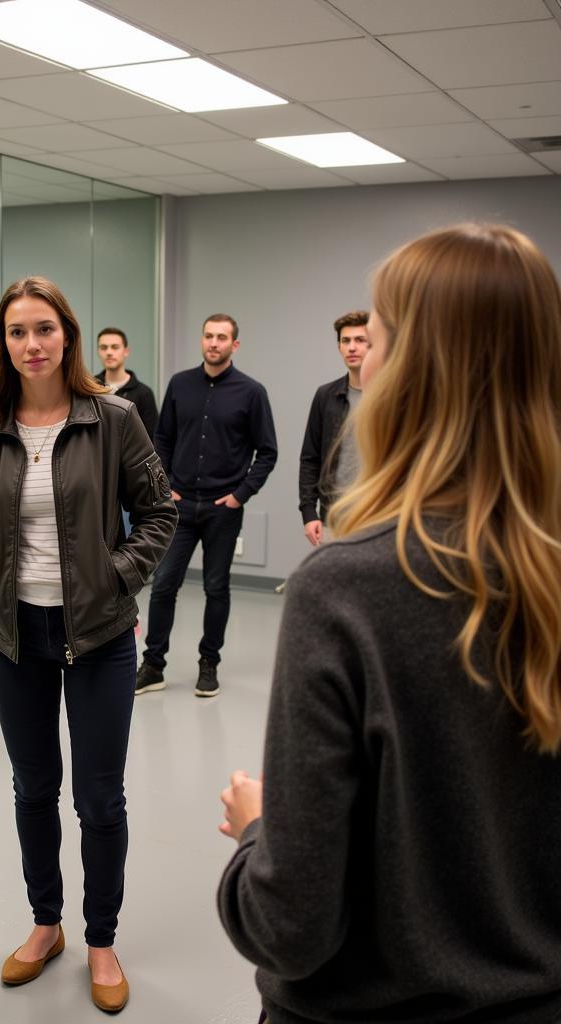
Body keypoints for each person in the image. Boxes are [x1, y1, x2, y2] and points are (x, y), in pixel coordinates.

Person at [218, 224, 561, 1024]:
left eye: (376, 335)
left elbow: (289, 926)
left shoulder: (345, 590)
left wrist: (255, 830)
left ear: (411, 370)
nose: (359, 356)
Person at [0, 276, 176, 1013]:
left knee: (100, 799)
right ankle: (47, 925)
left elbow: (160, 512)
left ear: (67, 336)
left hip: (100, 635)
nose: (31, 344)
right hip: (14, 637)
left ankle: (100, 938)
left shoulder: (113, 418)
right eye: (17, 332)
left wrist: (118, 575)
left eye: (44, 329)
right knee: (33, 790)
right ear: (2, 342)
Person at [136, 314, 277, 697]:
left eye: (222, 337)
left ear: (235, 344)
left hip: (222, 509)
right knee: (164, 584)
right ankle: (153, 665)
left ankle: (208, 663)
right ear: (202, 340)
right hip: (180, 506)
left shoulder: (252, 392)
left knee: (217, 588)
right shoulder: (181, 384)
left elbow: (267, 452)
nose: (214, 343)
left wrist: (240, 495)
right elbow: (162, 438)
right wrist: (164, 487)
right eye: (209, 336)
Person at [297, 311, 369, 547]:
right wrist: (309, 512)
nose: (352, 347)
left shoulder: (390, 399)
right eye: (346, 341)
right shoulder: (326, 396)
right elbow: (310, 458)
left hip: (377, 514)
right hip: (333, 517)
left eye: (360, 340)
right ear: (339, 346)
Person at [94, 327, 159, 439]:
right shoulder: (90, 388)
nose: (109, 352)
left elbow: (150, 438)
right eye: (103, 348)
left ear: (126, 351)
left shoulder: (144, 393)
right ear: (98, 351)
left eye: (115, 347)